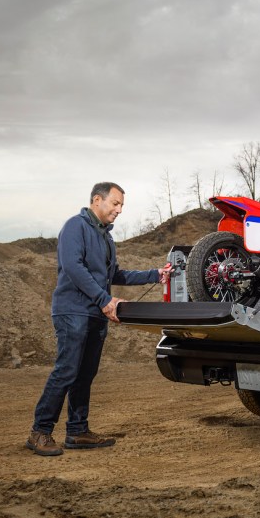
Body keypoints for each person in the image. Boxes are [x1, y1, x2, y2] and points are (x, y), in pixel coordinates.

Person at [26, 182, 172, 456]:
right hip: (72, 310)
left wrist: (155, 274)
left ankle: (77, 431)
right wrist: (105, 300)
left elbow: (114, 275)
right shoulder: (75, 226)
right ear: (97, 200)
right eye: (115, 204)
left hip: (94, 314)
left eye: (121, 206)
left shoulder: (105, 237)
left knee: (85, 374)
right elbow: (73, 267)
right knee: (67, 370)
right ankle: (40, 432)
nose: (118, 210)